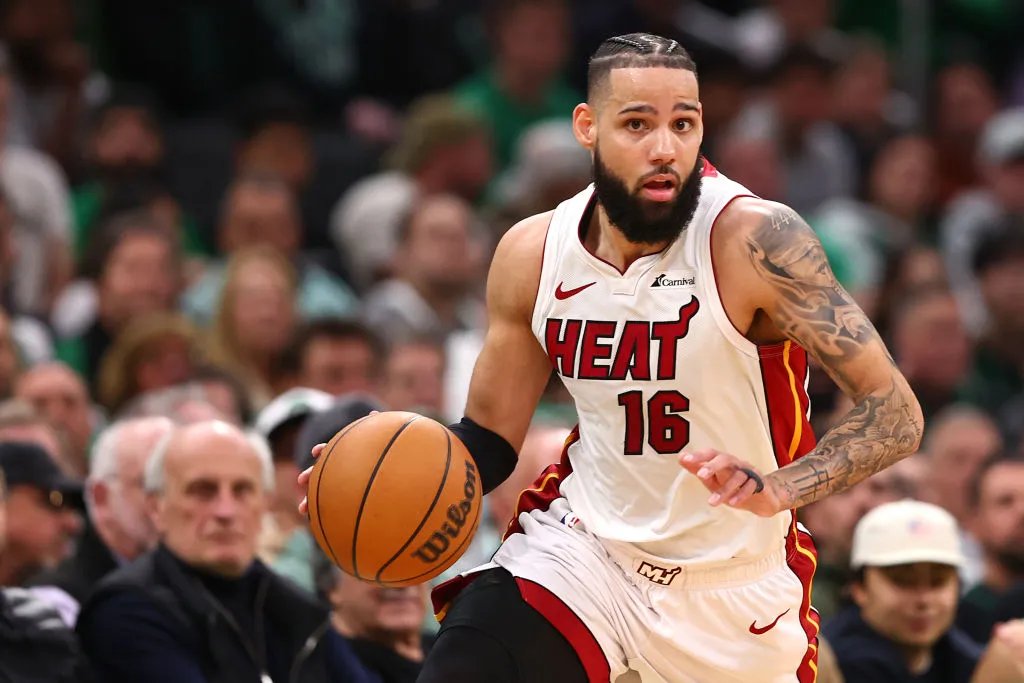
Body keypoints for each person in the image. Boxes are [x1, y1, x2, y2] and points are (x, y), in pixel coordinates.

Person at [299, 32, 924, 682]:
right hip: (587, 552)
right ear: (587, 127)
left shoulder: (756, 240)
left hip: (733, 587)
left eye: (684, 123)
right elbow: (487, 441)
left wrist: (779, 487)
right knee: (473, 652)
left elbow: (896, 413)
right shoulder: (533, 252)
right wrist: (373, 475)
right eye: (637, 123)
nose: (665, 148)